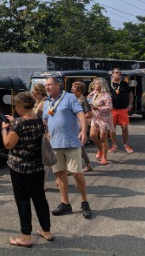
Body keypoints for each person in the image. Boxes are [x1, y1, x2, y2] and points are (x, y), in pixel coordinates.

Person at [1, 91, 52, 248]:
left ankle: (25, 236)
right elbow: (28, 126)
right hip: (37, 167)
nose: (15, 108)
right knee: (39, 198)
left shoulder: (19, 125)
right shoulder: (39, 120)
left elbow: (8, 144)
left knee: (23, 200)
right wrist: (15, 121)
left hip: (20, 168)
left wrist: (4, 129)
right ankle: (46, 230)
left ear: (20, 106)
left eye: (16, 106)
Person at [43, 76, 92, 219]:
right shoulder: (47, 102)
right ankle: (65, 203)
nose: (47, 87)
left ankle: (84, 202)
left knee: (77, 173)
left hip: (71, 143)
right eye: (46, 85)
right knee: (60, 174)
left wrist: (84, 130)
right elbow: (46, 121)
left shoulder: (69, 97)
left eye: (50, 84)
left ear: (58, 85)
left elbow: (81, 114)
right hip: (55, 145)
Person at [87, 78, 115, 166]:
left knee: (103, 138)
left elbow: (109, 107)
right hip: (95, 118)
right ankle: (100, 150)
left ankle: (104, 158)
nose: (94, 85)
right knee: (92, 135)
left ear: (101, 85)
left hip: (104, 119)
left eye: (96, 84)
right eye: (94, 84)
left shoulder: (106, 96)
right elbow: (88, 98)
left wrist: (98, 108)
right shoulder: (94, 93)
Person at [109, 68, 134, 153]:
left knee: (124, 127)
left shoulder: (124, 84)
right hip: (112, 110)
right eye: (116, 73)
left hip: (123, 109)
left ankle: (126, 145)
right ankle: (114, 145)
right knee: (112, 128)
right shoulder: (108, 84)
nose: (118, 74)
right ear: (112, 74)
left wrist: (130, 104)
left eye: (119, 73)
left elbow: (131, 94)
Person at [70, 81, 93, 172]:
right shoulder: (72, 100)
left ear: (80, 91)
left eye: (73, 89)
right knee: (79, 146)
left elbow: (89, 114)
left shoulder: (83, 101)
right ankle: (88, 164)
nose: (71, 91)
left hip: (79, 126)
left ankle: (75, 167)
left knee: (78, 146)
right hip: (72, 125)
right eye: (71, 89)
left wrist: (79, 116)